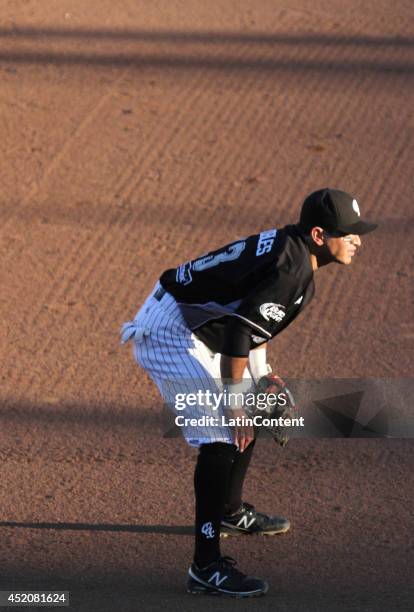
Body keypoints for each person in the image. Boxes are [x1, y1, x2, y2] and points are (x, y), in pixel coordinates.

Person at [120, 188, 377, 598]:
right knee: (222, 432)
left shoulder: (294, 257)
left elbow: (253, 327)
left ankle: (228, 511)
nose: (357, 240)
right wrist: (237, 403)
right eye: (347, 233)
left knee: (259, 401)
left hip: (199, 325)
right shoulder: (292, 270)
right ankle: (205, 567)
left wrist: (263, 380)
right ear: (317, 234)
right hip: (168, 330)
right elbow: (239, 335)